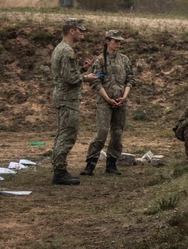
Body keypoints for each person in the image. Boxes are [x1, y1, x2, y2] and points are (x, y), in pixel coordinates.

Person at [80, 30, 136, 176]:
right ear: (107, 41)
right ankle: (90, 163)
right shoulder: (100, 60)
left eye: (119, 41)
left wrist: (124, 97)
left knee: (117, 134)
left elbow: (130, 79)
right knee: (102, 133)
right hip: (104, 101)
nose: (118, 44)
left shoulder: (124, 60)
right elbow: (96, 82)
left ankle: (112, 163)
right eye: (115, 41)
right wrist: (107, 98)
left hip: (121, 101)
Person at [50, 18, 97, 185]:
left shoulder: (61, 48)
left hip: (63, 96)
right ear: (71, 31)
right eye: (80, 30)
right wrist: (87, 77)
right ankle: (60, 171)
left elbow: (67, 73)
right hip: (68, 98)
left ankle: (59, 168)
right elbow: (70, 78)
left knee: (63, 133)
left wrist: (82, 69)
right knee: (67, 134)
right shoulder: (67, 51)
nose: (82, 33)